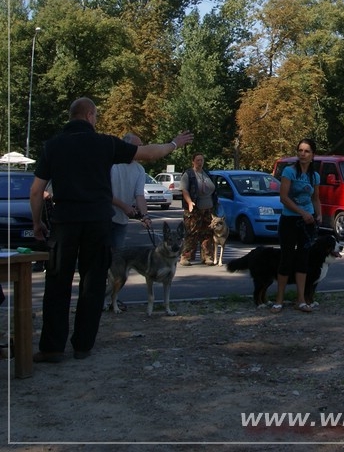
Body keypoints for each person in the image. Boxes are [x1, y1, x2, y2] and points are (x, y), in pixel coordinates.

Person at [29, 97, 192, 362]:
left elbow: (36, 191)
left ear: (71, 117)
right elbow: (148, 153)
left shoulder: (52, 146)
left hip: (65, 221)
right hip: (97, 221)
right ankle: (83, 346)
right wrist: (174, 143)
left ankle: (52, 348)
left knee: (58, 283)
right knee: (92, 284)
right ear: (90, 115)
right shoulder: (105, 143)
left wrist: (38, 223)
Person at [273, 138, 322, 313]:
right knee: (286, 258)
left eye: (306, 151)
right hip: (290, 220)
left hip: (307, 222)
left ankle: (300, 299)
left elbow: (315, 198)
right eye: (300, 150)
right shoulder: (289, 171)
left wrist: (319, 215)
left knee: (303, 259)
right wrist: (302, 213)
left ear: (312, 155)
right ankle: (279, 299)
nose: (302, 154)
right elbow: (283, 197)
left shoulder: (314, 176)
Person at [110, 133, 152, 251]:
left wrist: (145, 216)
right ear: (127, 147)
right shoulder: (112, 164)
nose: (141, 149)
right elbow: (105, 193)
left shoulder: (139, 169)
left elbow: (139, 195)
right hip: (105, 218)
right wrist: (124, 206)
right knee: (101, 257)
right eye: (138, 146)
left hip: (122, 221)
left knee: (118, 256)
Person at [179, 152, 217, 266]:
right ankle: (186, 257)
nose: (200, 162)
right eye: (198, 160)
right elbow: (184, 190)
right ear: (193, 161)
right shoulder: (188, 174)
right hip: (194, 209)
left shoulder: (207, 174)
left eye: (202, 160)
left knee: (207, 233)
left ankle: (207, 257)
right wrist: (190, 202)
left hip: (208, 208)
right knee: (192, 233)